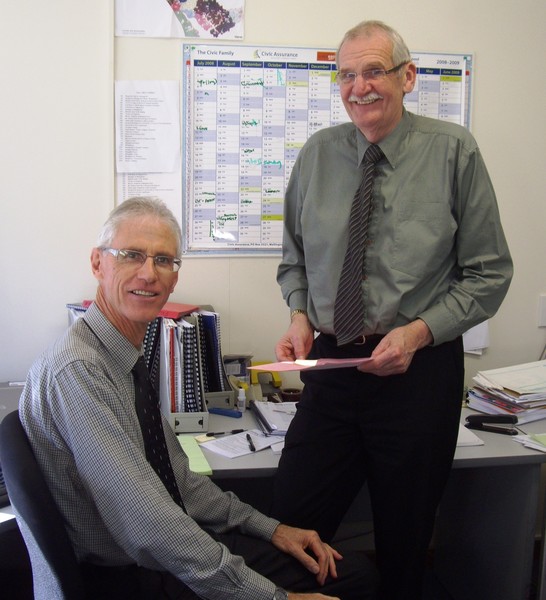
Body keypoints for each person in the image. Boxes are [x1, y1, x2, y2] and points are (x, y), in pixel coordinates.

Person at [19, 197, 378, 600]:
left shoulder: (121, 356)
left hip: (156, 554)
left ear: (174, 279)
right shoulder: (81, 372)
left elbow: (179, 482)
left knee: (350, 571)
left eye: (164, 261)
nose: (148, 273)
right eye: (131, 255)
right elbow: (149, 525)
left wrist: (271, 529)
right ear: (97, 264)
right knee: (355, 582)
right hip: (123, 577)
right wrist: (271, 598)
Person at [271, 20, 513, 600]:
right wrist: (300, 314)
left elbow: (490, 274)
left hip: (418, 373)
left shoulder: (454, 151)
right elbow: (293, 261)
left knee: (406, 544)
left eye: (374, 70)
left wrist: (416, 334)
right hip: (333, 368)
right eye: (347, 75)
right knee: (287, 525)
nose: (360, 87)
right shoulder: (318, 155)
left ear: (407, 77)